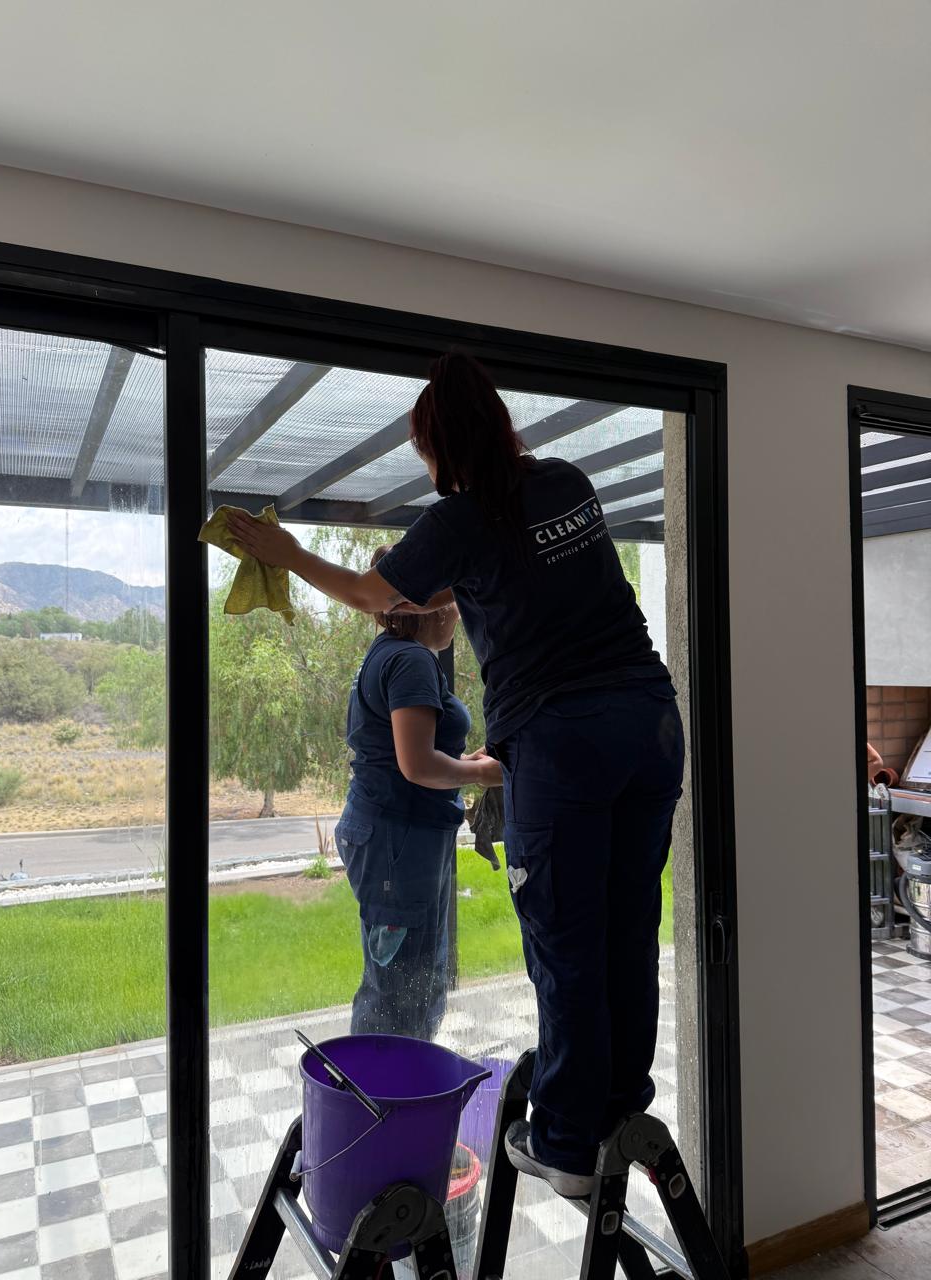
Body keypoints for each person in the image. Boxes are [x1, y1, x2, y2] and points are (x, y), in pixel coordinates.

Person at [228, 352, 684, 1198]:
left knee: (565, 940)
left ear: (439, 447)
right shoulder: (565, 481)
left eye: (424, 452)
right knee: (627, 926)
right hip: (653, 724)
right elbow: (532, 590)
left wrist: (285, 551)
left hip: (566, 738)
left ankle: (570, 1144)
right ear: (502, 423)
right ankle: (621, 1103)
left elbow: (373, 595)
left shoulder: (463, 519)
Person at [336, 546, 473, 1040]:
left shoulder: (393, 655)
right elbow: (416, 766)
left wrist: (466, 766)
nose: (457, 608)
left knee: (403, 982)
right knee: (402, 993)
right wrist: (486, 776)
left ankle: (394, 1100)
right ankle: (388, 1106)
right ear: (425, 604)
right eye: (451, 597)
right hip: (399, 839)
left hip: (395, 834)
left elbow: (409, 755)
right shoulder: (411, 660)